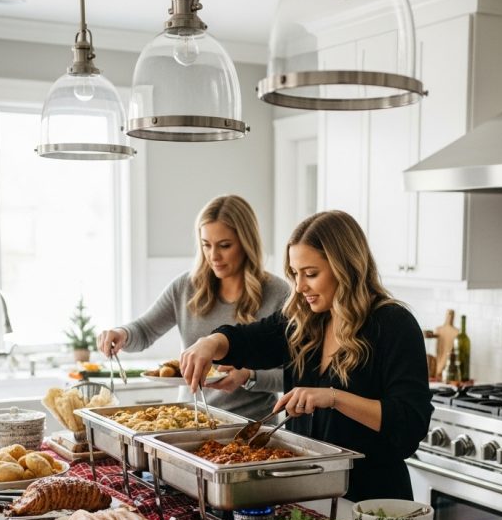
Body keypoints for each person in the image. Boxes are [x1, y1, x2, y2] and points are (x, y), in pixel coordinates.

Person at [180, 210, 433, 502]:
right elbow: (250, 339)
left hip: (372, 501)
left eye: (311, 274)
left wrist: (332, 397)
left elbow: (410, 422)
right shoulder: (303, 319)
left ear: (345, 267)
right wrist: (211, 342)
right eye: (295, 274)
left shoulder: (393, 325)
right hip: (305, 495)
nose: (299, 288)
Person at [97, 195, 289, 419]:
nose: (213, 256)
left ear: (247, 243)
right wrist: (121, 334)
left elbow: (292, 374)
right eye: (206, 245)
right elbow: (144, 331)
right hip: (191, 420)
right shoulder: (185, 287)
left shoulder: (278, 293)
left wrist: (249, 376)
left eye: (225, 246)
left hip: (251, 428)